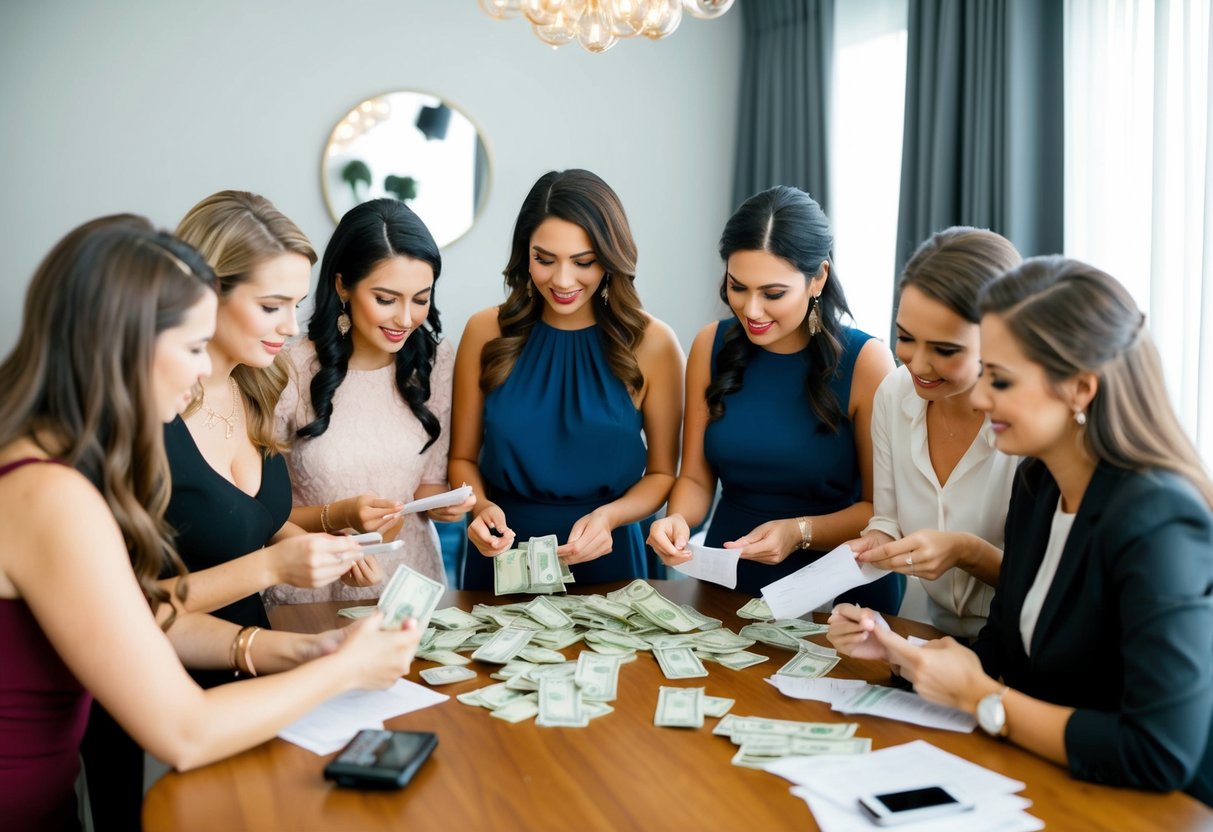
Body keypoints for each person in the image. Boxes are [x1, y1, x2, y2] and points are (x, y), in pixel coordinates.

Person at [0, 216, 420, 831]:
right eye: (193, 348)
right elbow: (184, 732)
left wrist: (307, 649)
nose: (204, 372)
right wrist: (343, 671)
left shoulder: (54, 464)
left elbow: (146, 618)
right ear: (127, 343)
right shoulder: (47, 492)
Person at [838, 257, 1213, 804]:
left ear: (1081, 389)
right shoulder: (1038, 483)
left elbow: (1158, 750)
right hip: (1047, 782)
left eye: (1002, 379)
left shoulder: (1161, 520)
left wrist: (984, 700)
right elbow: (1005, 653)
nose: (982, 398)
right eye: (985, 371)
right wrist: (902, 654)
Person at [647, 186, 900, 607]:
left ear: (817, 278)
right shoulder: (711, 345)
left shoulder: (867, 362)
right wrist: (676, 519)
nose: (751, 310)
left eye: (773, 293)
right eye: (737, 286)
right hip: (730, 583)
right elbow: (694, 477)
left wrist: (800, 532)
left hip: (838, 593)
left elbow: (882, 512)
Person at [451, 169, 684, 588]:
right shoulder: (485, 331)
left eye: (583, 262)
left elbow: (663, 474)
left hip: (610, 552)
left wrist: (610, 516)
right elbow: (462, 459)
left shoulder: (653, 343)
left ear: (611, 259)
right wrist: (479, 506)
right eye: (544, 259)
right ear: (525, 254)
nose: (561, 280)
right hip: (502, 551)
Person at [269, 198, 474, 603]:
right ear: (343, 285)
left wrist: (447, 505)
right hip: (311, 586)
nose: (404, 319)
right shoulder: (286, 369)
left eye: (420, 299)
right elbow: (262, 515)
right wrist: (340, 517)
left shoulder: (436, 360)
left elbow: (427, 486)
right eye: (385, 299)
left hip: (410, 583)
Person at [830, 227, 1022, 639]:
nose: (917, 364)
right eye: (905, 338)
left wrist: (965, 553)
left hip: (1017, 643)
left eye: (945, 350)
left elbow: (1050, 586)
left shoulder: (1029, 424)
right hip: (922, 628)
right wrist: (874, 543)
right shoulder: (894, 393)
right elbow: (887, 518)